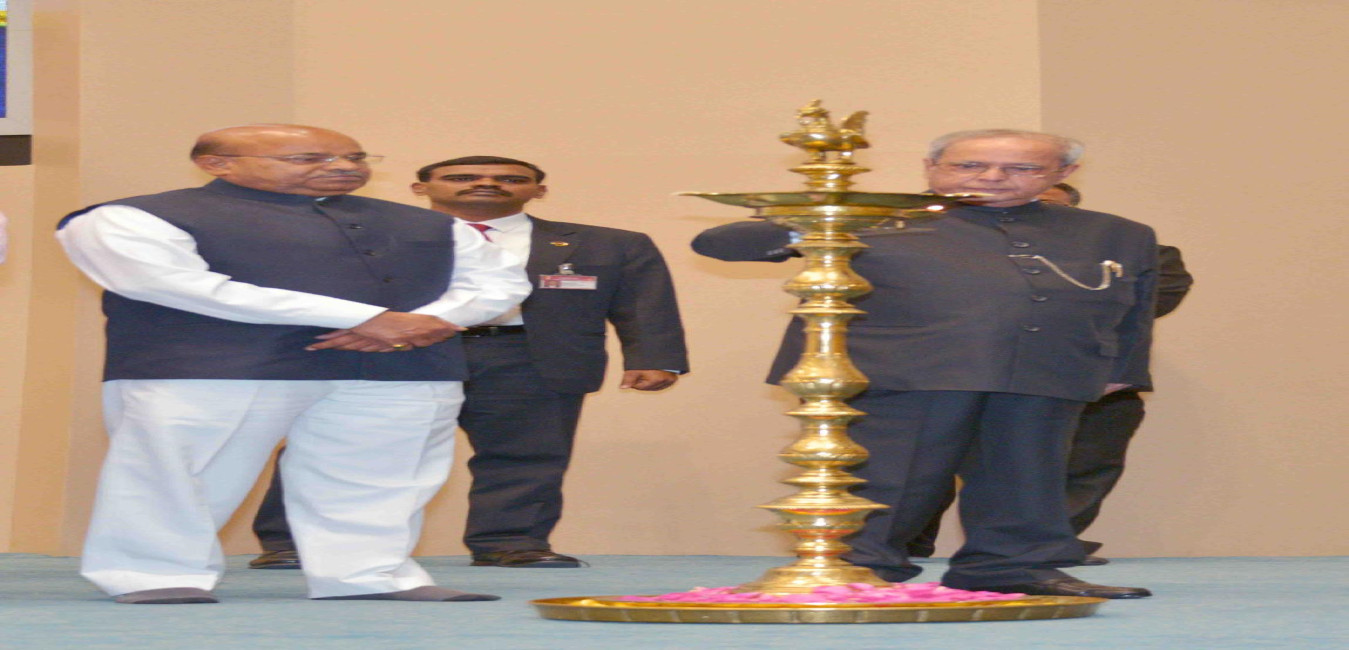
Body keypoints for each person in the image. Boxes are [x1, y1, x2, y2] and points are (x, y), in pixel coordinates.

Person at [56, 125, 530, 604]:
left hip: (400, 363)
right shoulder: (129, 218)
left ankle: (369, 575)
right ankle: (152, 575)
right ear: (217, 164)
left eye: (355, 157)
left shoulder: (434, 224)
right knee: (179, 473)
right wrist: (367, 319)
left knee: (384, 476)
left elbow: (501, 282)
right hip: (216, 366)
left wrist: (433, 321)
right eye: (309, 159)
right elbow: (173, 285)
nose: (343, 168)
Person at [692, 129, 1157, 599]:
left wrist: (1124, 370)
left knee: (1027, 478)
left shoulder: (1119, 233)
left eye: (1022, 168)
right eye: (970, 165)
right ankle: (857, 567)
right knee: (891, 479)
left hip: (1046, 368)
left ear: (1064, 173)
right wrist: (820, 216)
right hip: (902, 370)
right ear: (931, 167)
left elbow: (1135, 307)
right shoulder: (877, 215)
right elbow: (719, 244)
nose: (993, 177)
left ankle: (1013, 567)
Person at [249, 155, 689, 570]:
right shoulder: (360, 235)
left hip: (527, 355)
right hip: (390, 351)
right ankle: (292, 543)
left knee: (527, 455)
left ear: (539, 191)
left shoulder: (607, 244)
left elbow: (643, 302)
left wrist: (656, 358)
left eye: (511, 179)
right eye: (462, 177)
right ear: (420, 188)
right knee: (339, 446)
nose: (487, 183)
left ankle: (511, 543)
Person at [904, 182, 1194, 564]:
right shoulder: (920, 243)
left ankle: (1036, 552)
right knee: (917, 471)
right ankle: (896, 550)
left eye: (1044, 202)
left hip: (1084, 380)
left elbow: (1158, 292)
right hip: (946, 377)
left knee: (1076, 467)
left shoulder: (1125, 247)